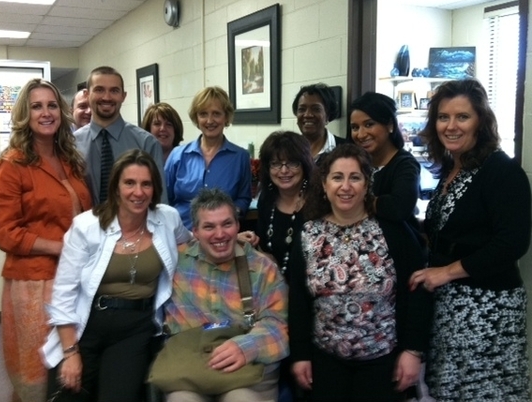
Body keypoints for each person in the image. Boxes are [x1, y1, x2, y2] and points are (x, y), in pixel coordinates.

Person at [408, 79, 531, 402]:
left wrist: (446, 272)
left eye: (462, 117)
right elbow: (450, 230)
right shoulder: (453, 168)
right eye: (442, 117)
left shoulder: (501, 171)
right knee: (450, 392)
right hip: (450, 306)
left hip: (487, 307)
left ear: (481, 121)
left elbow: (512, 243)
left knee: (484, 393)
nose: (451, 126)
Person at [42, 149, 192, 402]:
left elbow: (190, 244)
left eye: (146, 184)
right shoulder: (87, 226)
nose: (138, 192)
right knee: (69, 394)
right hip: (86, 325)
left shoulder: (168, 219)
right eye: (129, 183)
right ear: (115, 187)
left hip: (135, 329)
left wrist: (234, 240)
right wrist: (70, 354)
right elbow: (63, 293)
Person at [289, 144, 432, 402]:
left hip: (383, 362)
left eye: (355, 177)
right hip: (325, 361)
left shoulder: (393, 231)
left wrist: (413, 351)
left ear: (367, 185)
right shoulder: (308, 234)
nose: (346, 186)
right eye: (337, 177)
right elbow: (298, 299)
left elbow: (417, 291)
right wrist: (300, 355)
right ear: (324, 184)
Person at [0, 78, 92, 402]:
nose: (45, 113)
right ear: (25, 115)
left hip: (73, 276)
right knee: (39, 369)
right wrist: (59, 247)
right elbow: (4, 231)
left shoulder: (69, 158)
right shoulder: (11, 165)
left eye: (50, 105)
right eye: (36, 106)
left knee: (71, 364)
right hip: (34, 283)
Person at [163, 188, 288, 402]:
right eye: (209, 227)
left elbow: (279, 326)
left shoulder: (262, 268)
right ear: (196, 231)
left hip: (248, 370)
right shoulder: (175, 262)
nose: (219, 234)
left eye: (226, 224)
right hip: (189, 367)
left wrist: (246, 346)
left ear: (238, 225)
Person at [254, 131, 314, 402]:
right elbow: (266, 247)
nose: (284, 170)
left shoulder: (318, 201)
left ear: (305, 164)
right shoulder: (266, 199)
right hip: (274, 298)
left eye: (292, 163)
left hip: (309, 300)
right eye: (276, 164)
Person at [74, 66, 166, 205]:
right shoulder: (72, 145)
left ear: (123, 96)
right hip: (86, 225)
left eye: (114, 91)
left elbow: (159, 201)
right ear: (87, 94)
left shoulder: (146, 143)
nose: (107, 97)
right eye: (99, 90)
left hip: (137, 225)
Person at [165, 86, 252, 229]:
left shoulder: (240, 157)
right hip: (180, 236)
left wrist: (231, 214)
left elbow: (244, 198)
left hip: (220, 237)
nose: (210, 120)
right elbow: (163, 200)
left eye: (216, 114)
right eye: (203, 114)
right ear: (196, 118)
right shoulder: (177, 156)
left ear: (226, 117)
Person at [349, 91, 421, 227]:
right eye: (355, 127)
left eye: (369, 124)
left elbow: (399, 208)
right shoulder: (356, 163)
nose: (361, 134)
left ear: (390, 125)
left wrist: (352, 200)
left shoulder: (405, 164)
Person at [291, 83, 346, 162]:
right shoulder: (288, 149)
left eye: (316, 109)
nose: (307, 115)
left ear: (328, 115)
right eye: (302, 109)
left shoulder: (345, 149)